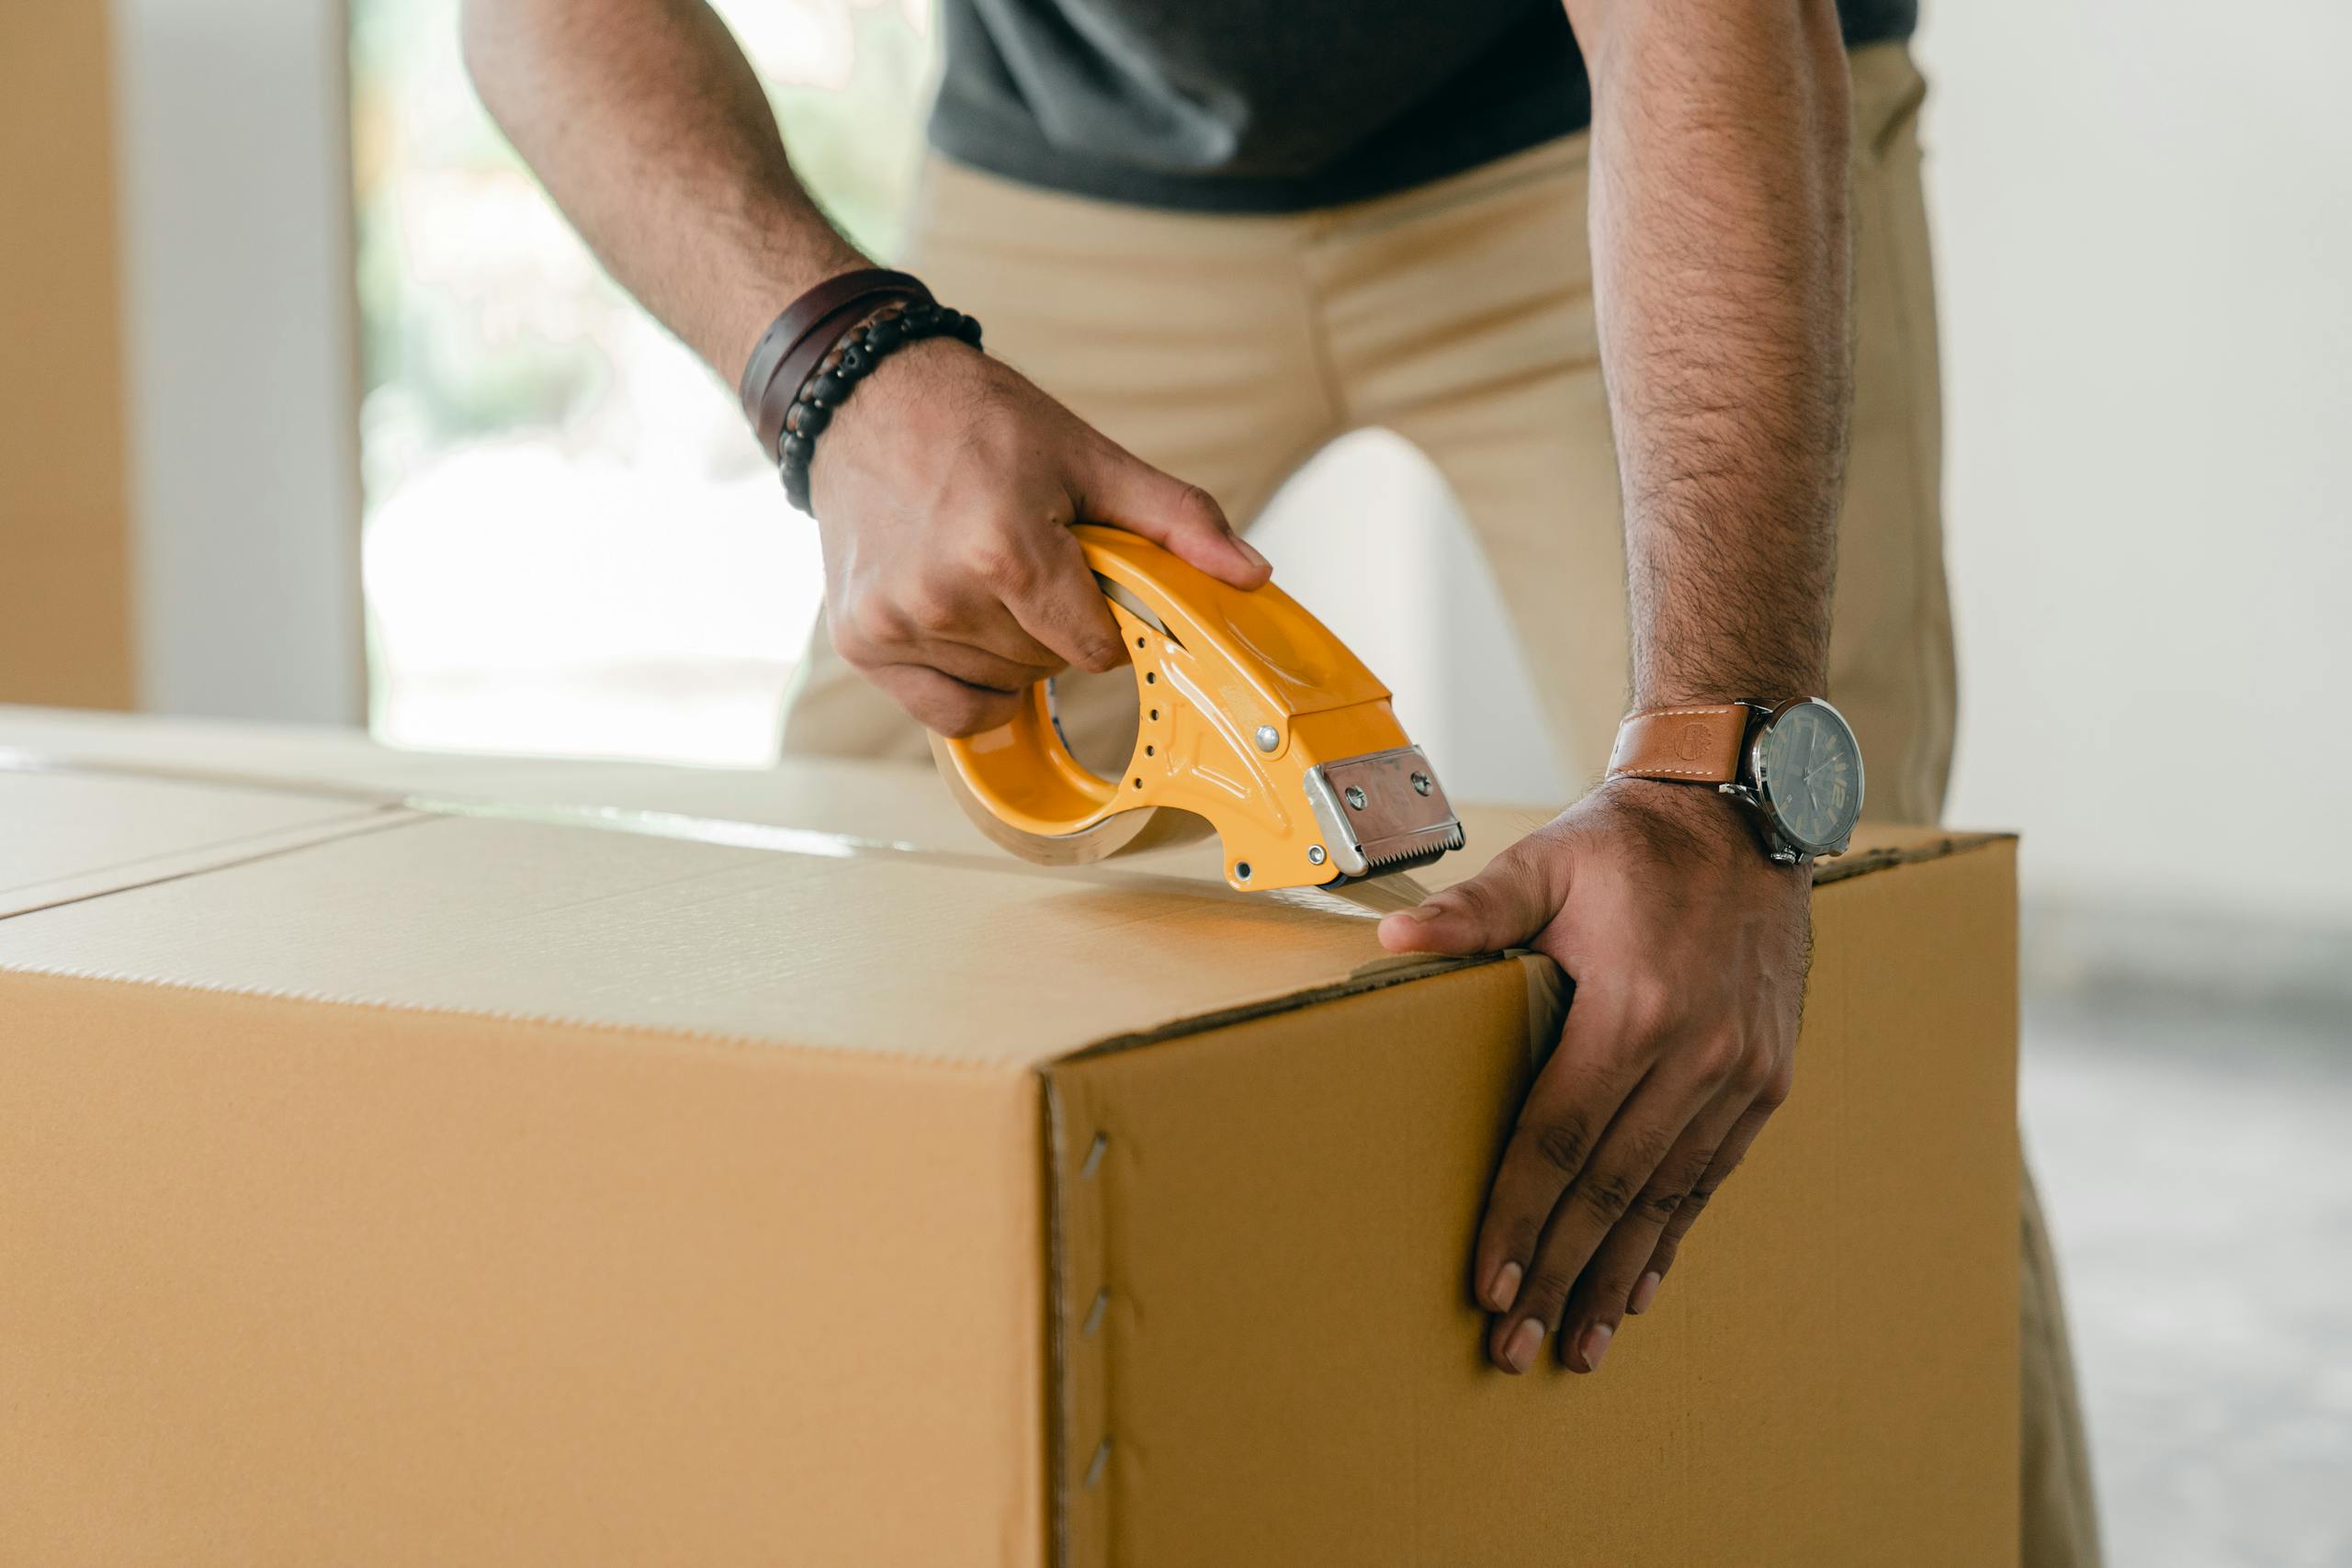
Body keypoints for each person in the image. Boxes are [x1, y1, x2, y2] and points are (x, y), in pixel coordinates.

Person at [463, 1, 2098, 1559]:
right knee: (885, 918)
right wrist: (844, 370)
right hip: (1082, 160)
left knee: (1824, 979)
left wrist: (1717, 772)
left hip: (1618, 119)